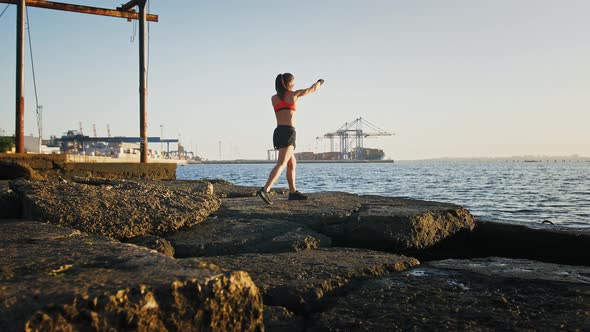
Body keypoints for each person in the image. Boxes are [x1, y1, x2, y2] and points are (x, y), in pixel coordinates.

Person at [258, 73, 324, 205]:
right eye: (293, 83)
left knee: (291, 162)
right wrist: (319, 82)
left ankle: (293, 192)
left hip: (278, 131)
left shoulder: (273, 98)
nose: (294, 85)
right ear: (288, 84)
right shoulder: (294, 95)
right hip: (288, 132)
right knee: (282, 163)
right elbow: (312, 89)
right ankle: (265, 190)